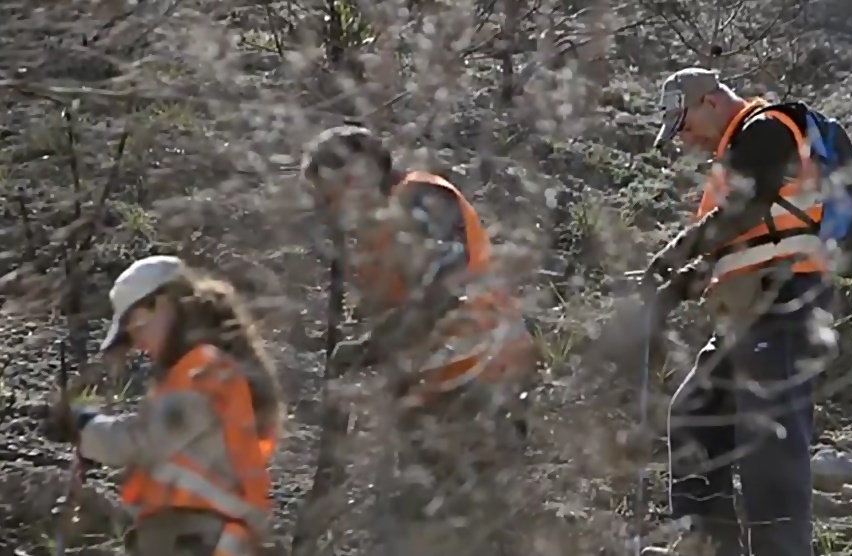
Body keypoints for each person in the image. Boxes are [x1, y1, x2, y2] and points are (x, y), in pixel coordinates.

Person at [640, 68, 848, 556]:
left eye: (684, 125)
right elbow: (735, 249)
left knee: (768, 445)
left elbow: (746, 212)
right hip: (747, 315)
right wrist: (670, 288)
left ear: (710, 101)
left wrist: (671, 254)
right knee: (695, 413)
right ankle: (706, 545)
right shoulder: (734, 156)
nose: (685, 139)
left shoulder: (768, 128)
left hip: (785, 305)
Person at [301, 125, 537, 552]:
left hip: (481, 376)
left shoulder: (422, 197)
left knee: (469, 525)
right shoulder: (380, 231)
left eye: (332, 193)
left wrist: (366, 349)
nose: (331, 209)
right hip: (437, 388)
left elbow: (440, 291)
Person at [42, 255, 284, 556]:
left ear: (165, 304)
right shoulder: (196, 372)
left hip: (199, 541)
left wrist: (85, 428)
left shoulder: (206, 370)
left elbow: (146, 440)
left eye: (137, 324)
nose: (138, 343)